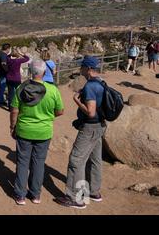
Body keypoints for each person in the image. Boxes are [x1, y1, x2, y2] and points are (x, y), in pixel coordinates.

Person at [10, 59, 64, 205]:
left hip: (24, 130)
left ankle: (20, 195)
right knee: (39, 163)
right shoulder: (53, 90)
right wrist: (47, 117)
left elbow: (14, 110)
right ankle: (35, 195)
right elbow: (60, 111)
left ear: (30, 72)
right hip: (44, 132)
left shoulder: (21, 88)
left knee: (22, 162)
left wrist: (12, 127)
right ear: (45, 72)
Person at [55, 56, 107, 209]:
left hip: (90, 127)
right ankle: (94, 191)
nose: (80, 70)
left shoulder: (91, 86)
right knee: (95, 159)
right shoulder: (102, 82)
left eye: (82, 67)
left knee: (76, 160)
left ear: (88, 69)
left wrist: (76, 100)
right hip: (100, 125)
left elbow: (90, 112)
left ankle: (75, 198)